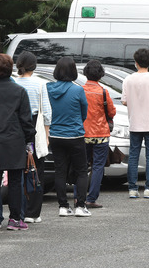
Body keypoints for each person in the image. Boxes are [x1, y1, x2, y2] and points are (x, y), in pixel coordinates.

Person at [0, 53, 36, 231]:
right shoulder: (20, 91)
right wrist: (29, 139)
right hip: (15, 140)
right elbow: (26, 120)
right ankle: (15, 219)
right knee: (15, 181)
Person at [47, 57, 91, 217]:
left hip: (55, 134)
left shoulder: (49, 88)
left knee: (60, 171)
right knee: (81, 171)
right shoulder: (78, 90)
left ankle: (63, 206)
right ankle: (80, 205)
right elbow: (84, 112)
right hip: (75, 134)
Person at [14, 51, 51, 224]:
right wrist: (47, 133)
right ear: (33, 66)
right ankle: (33, 212)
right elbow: (47, 112)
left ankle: (19, 211)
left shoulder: (13, 82)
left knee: (18, 171)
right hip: (35, 126)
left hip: (16, 128)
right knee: (37, 169)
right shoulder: (40, 83)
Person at [122, 48, 149, 198]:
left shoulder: (128, 79)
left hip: (134, 122)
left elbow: (124, 101)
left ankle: (132, 189)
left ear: (136, 62)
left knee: (133, 155)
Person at [80, 60, 116, 208]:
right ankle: (91, 198)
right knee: (98, 166)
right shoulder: (103, 91)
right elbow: (112, 112)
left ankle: (78, 197)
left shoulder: (80, 90)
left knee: (81, 167)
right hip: (101, 133)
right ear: (101, 75)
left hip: (83, 133)